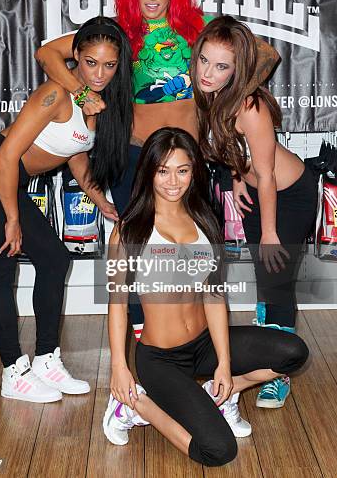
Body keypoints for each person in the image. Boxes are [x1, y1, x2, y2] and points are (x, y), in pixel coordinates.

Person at [35, 0, 280, 339]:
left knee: (198, 252)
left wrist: (232, 98)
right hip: (134, 158)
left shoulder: (196, 26)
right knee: (135, 254)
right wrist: (80, 93)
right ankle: (141, 347)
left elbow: (266, 54)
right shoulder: (118, 33)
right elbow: (47, 53)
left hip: (190, 160)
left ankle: (203, 344)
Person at [0, 16, 133, 404]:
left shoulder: (96, 103)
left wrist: (102, 202)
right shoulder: (56, 94)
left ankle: (47, 360)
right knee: (2, 266)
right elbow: (6, 156)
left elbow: (76, 154)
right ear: (76, 59)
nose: (99, 73)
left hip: (5, 176)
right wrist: (13, 219)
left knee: (53, 259)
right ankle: (13, 372)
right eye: (90, 62)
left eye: (109, 65)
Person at [103, 128, 308, 468]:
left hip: (204, 346)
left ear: (194, 172)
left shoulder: (204, 220)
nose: (173, 181)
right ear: (148, 172)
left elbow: (214, 296)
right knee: (218, 451)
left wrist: (225, 366)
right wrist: (119, 368)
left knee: (293, 352)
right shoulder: (130, 230)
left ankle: (222, 393)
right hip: (160, 359)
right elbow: (117, 304)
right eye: (163, 170)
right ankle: (136, 406)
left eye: (182, 170)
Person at [190, 15, 318, 408]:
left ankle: (276, 373)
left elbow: (267, 174)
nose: (208, 73)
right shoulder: (211, 94)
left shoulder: (250, 104)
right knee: (266, 281)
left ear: (238, 69)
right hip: (258, 189)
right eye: (204, 61)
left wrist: (269, 233)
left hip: (288, 195)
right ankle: (268, 353)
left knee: (276, 280)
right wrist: (236, 175)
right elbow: (235, 151)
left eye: (221, 65)